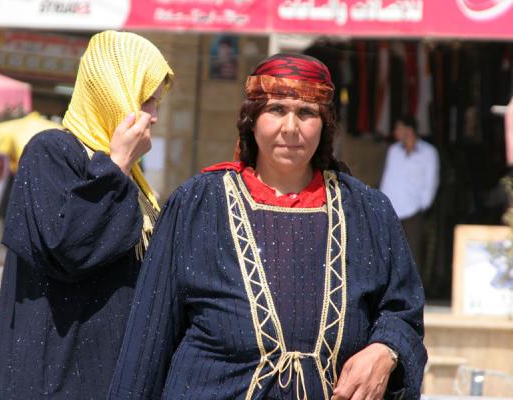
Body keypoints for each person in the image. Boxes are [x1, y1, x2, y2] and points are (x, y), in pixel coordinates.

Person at [109, 54, 426, 400]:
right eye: (276, 109)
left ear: (325, 124)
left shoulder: (368, 211)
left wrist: (386, 350)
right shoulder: (196, 204)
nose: (290, 128)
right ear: (252, 119)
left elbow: (403, 312)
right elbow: (147, 340)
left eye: (306, 113)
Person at [0, 31, 173, 400]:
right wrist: (118, 164)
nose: (153, 117)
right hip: (56, 383)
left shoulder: (131, 178)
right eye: (146, 101)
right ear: (112, 92)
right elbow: (70, 248)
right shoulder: (52, 152)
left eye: (157, 104)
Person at [380, 115, 439, 267]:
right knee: (389, 255)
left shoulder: (429, 153)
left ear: (409, 130)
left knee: (412, 256)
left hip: (413, 212)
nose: (395, 132)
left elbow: (431, 183)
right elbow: (388, 179)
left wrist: (422, 206)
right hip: (392, 211)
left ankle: (413, 291)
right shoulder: (393, 151)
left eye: (398, 128)